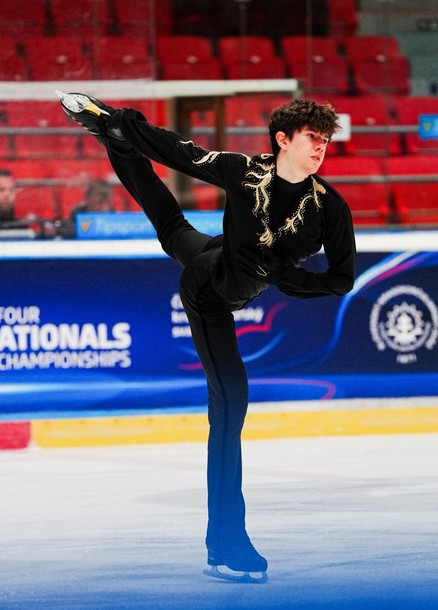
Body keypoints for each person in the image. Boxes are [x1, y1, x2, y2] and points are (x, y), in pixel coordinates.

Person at [60, 91, 356, 582]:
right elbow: (181, 152)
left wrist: (284, 277)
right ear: (282, 140)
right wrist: (122, 119)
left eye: (326, 140)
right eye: (312, 139)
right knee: (231, 403)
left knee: (171, 225)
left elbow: (341, 277)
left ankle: (110, 142)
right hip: (209, 291)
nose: (321, 148)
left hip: (221, 256)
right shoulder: (244, 172)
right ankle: (225, 543)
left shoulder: (329, 207)